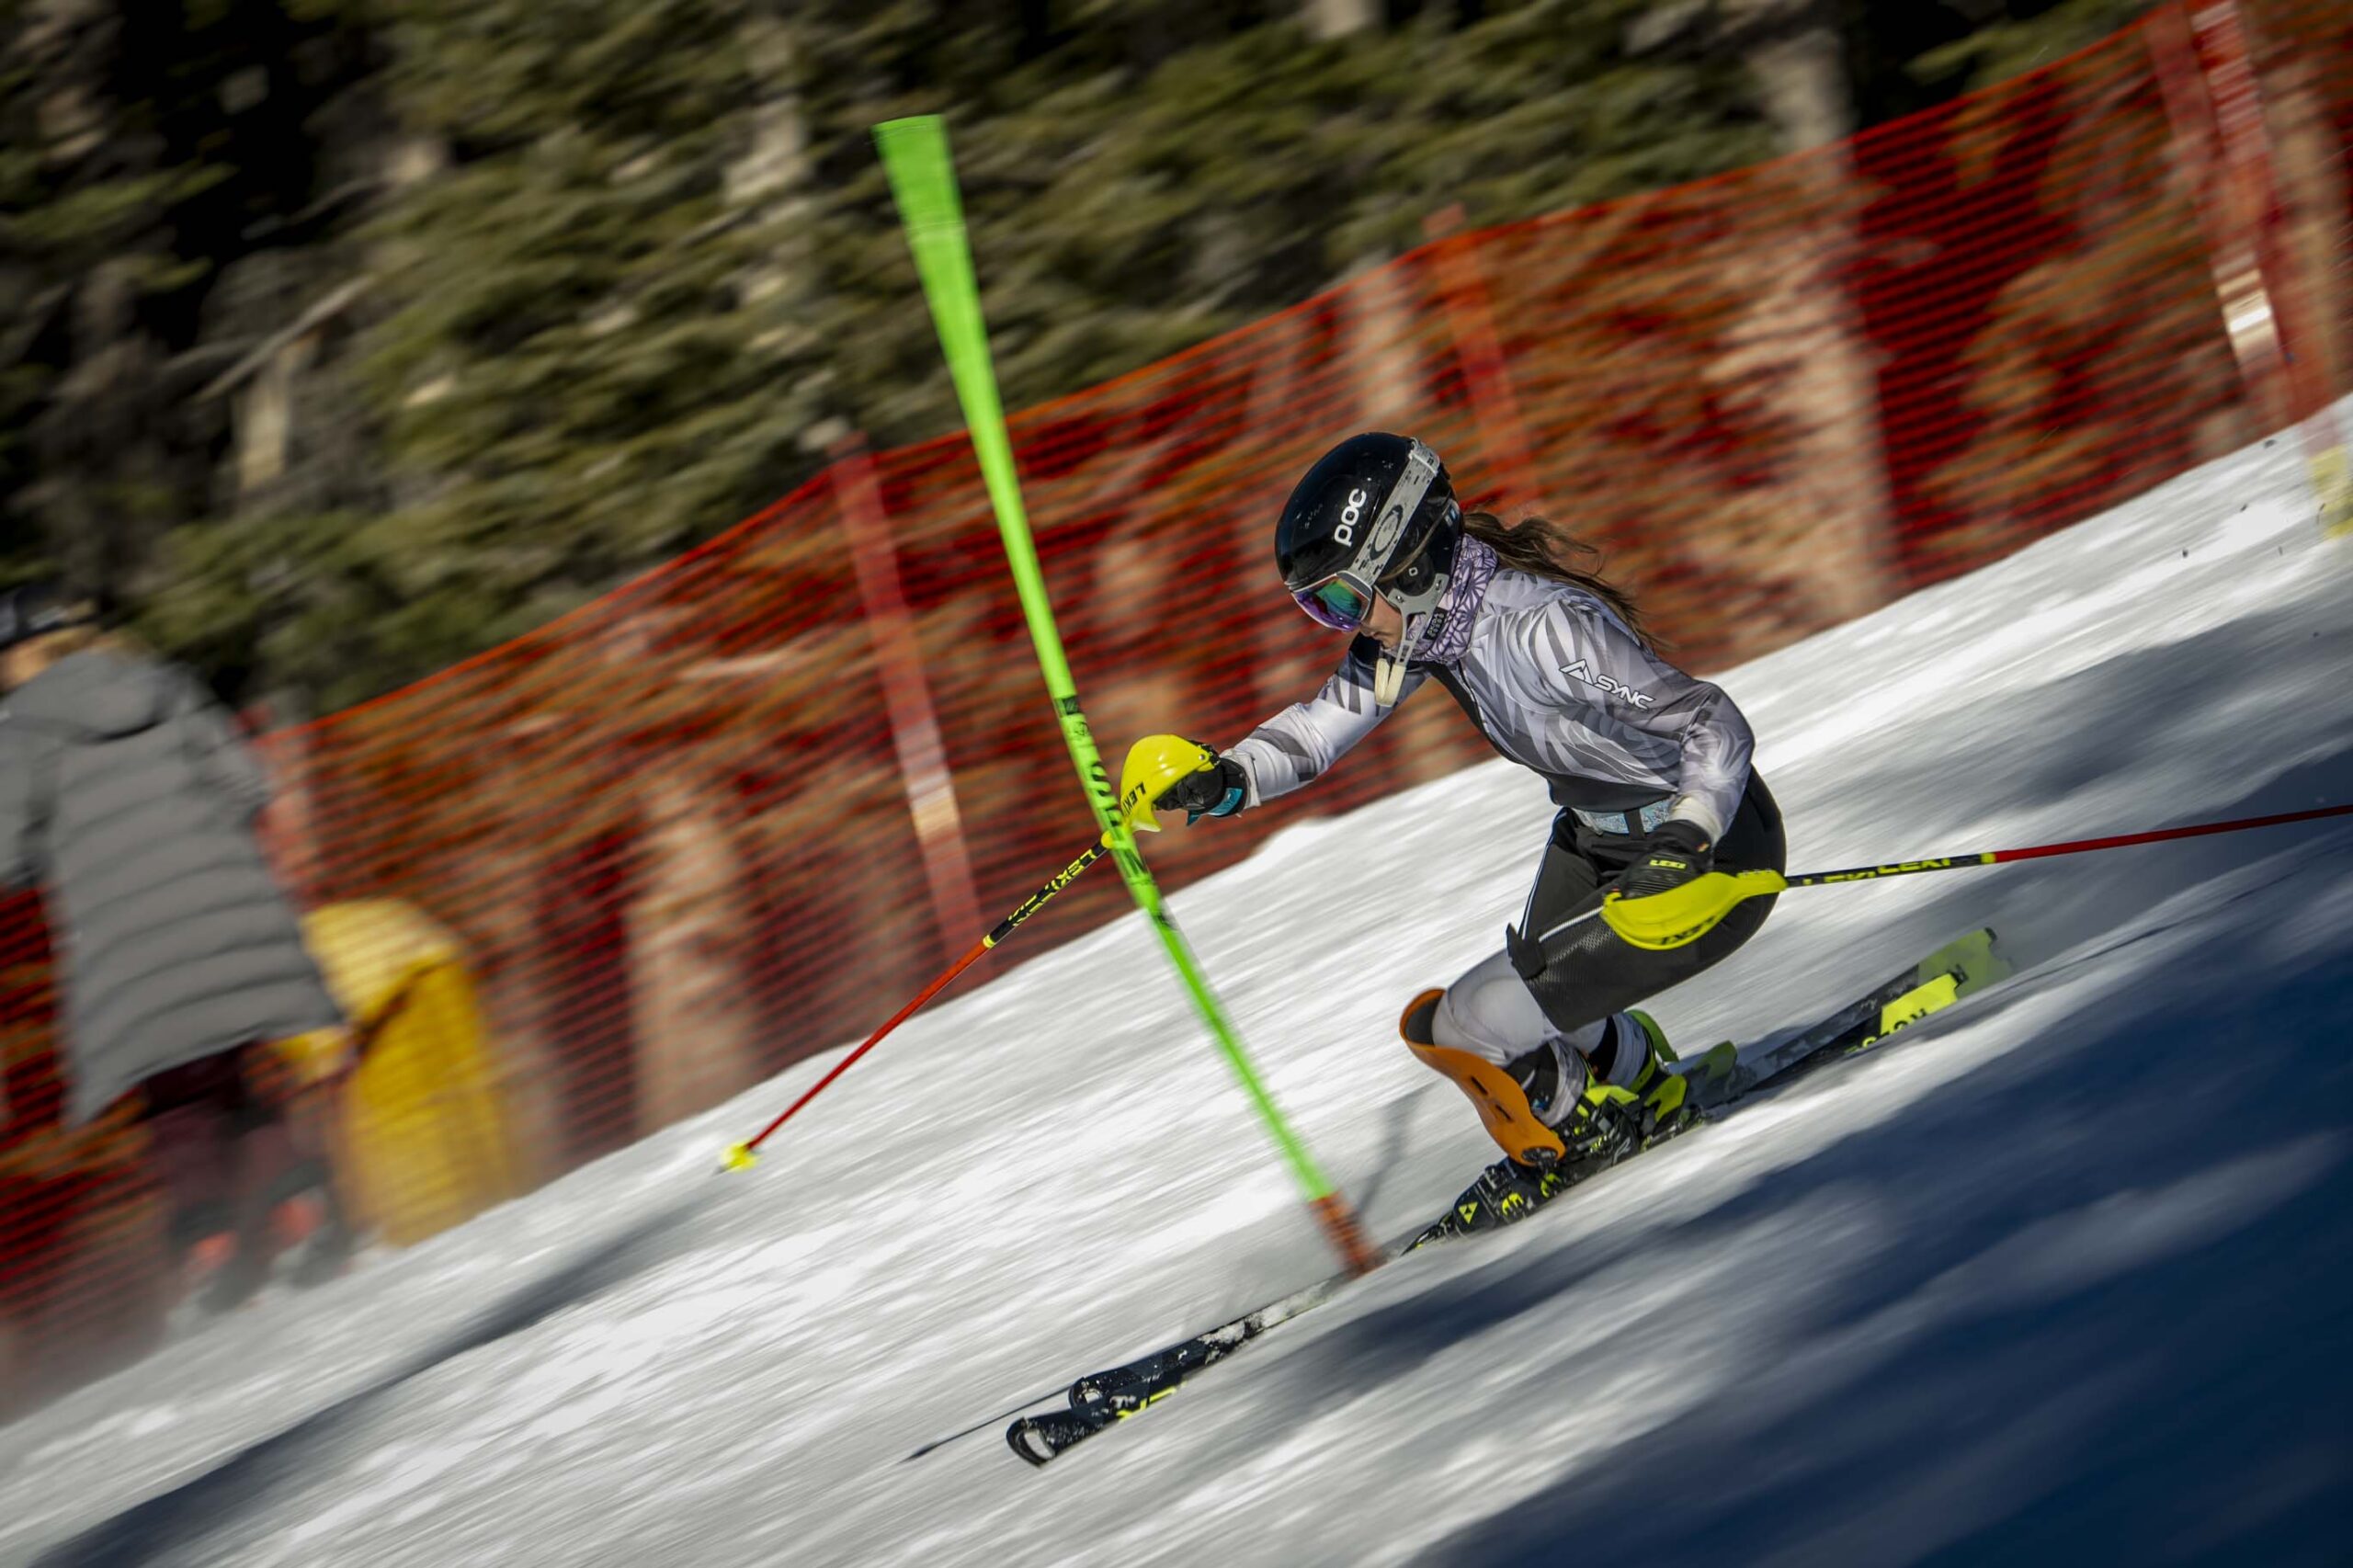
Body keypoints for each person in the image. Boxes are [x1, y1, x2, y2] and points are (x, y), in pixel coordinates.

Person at [1157, 433, 1783, 1227]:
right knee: (1540, 1018)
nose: (1342, 626)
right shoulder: (1421, 637)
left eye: (1343, 601)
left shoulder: (1543, 628)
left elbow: (1712, 720)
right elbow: (1318, 730)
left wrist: (1688, 835)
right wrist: (1226, 779)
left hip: (1709, 850)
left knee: (1466, 1023)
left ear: (1408, 562)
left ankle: (1576, 1144)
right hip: (1596, 840)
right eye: (1319, 609)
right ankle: (1642, 1086)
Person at [0, 582, 353, 1311]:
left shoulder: (19, 731)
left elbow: (5, 858)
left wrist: (61, 852)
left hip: (129, 945)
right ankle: (310, 1216)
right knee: (233, 1078)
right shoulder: (166, 684)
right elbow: (247, 785)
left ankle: (211, 1256)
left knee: (178, 1105)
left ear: (21, 654)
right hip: (228, 916)